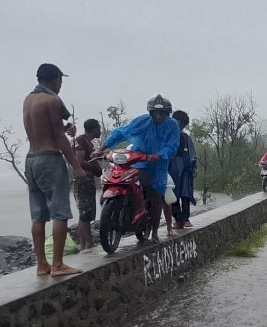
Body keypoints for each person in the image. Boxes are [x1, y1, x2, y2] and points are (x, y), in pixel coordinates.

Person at [23, 63, 87, 276]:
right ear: (55, 80)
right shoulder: (52, 100)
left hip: (32, 159)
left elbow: (47, 128)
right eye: (60, 81)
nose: (61, 85)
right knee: (60, 213)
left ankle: (42, 264)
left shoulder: (29, 99)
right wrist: (76, 166)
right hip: (50, 160)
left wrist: (64, 128)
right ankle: (58, 264)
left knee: (38, 215)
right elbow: (59, 137)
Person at [93, 94, 180, 243]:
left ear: (167, 113)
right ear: (150, 113)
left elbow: (172, 145)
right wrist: (101, 148)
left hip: (158, 163)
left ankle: (154, 232)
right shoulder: (143, 121)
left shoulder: (172, 125)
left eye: (162, 113)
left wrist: (160, 154)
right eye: (155, 113)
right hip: (139, 159)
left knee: (156, 194)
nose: (158, 116)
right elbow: (122, 132)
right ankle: (127, 207)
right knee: (127, 178)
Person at [72, 119, 102, 249]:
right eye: (99, 128)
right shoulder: (81, 140)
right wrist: (94, 167)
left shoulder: (88, 143)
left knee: (85, 213)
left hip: (88, 180)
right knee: (85, 212)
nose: (100, 131)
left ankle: (84, 244)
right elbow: (79, 160)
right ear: (94, 129)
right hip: (83, 180)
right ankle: (89, 243)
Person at [169, 110, 197, 229]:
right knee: (171, 195)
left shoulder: (186, 137)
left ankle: (185, 219)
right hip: (171, 171)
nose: (181, 127)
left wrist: (194, 167)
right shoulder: (167, 137)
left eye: (183, 125)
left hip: (185, 171)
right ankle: (177, 220)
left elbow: (192, 154)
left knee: (185, 195)